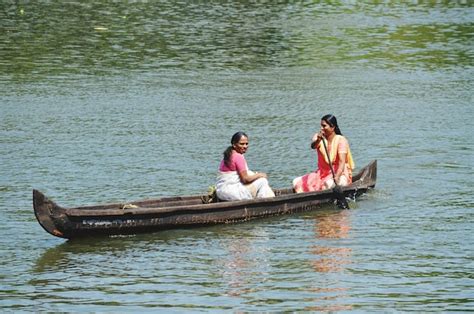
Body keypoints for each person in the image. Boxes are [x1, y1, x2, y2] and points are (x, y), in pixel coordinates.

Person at [293, 114, 355, 193]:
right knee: (296, 182)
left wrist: (337, 176)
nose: (321, 128)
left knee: (327, 184)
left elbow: (342, 162)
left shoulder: (341, 140)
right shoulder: (319, 137)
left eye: (324, 126)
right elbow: (313, 146)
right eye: (321, 126)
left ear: (332, 127)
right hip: (322, 174)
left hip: (340, 173)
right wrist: (318, 140)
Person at [216, 132, 275, 201]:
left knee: (256, 178)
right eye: (242, 144)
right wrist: (260, 175)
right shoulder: (238, 156)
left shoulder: (229, 155)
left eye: (246, 144)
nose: (245, 146)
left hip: (221, 192)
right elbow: (245, 179)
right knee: (262, 181)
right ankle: (263, 203)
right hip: (231, 193)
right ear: (234, 144)